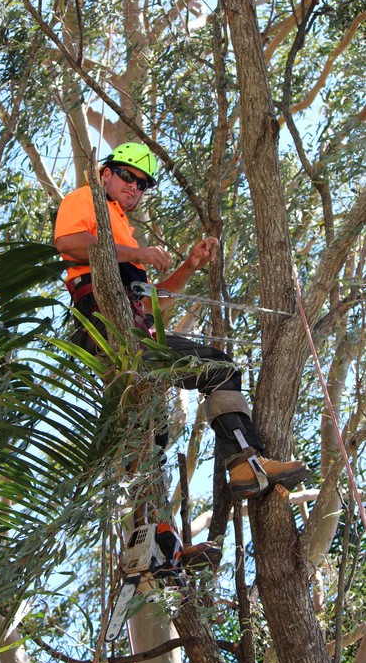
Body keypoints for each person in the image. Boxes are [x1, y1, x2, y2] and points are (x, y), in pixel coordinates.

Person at [54, 141, 310, 502]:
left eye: (143, 184)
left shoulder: (124, 229)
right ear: (106, 174)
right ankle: (245, 463)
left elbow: (148, 301)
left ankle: (151, 546)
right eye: (128, 177)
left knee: (152, 435)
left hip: (133, 328)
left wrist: (189, 266)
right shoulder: (87, 197)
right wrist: (138, 253)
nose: (135, 187)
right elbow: (68, 242)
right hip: (105, 325)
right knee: (218, 369)